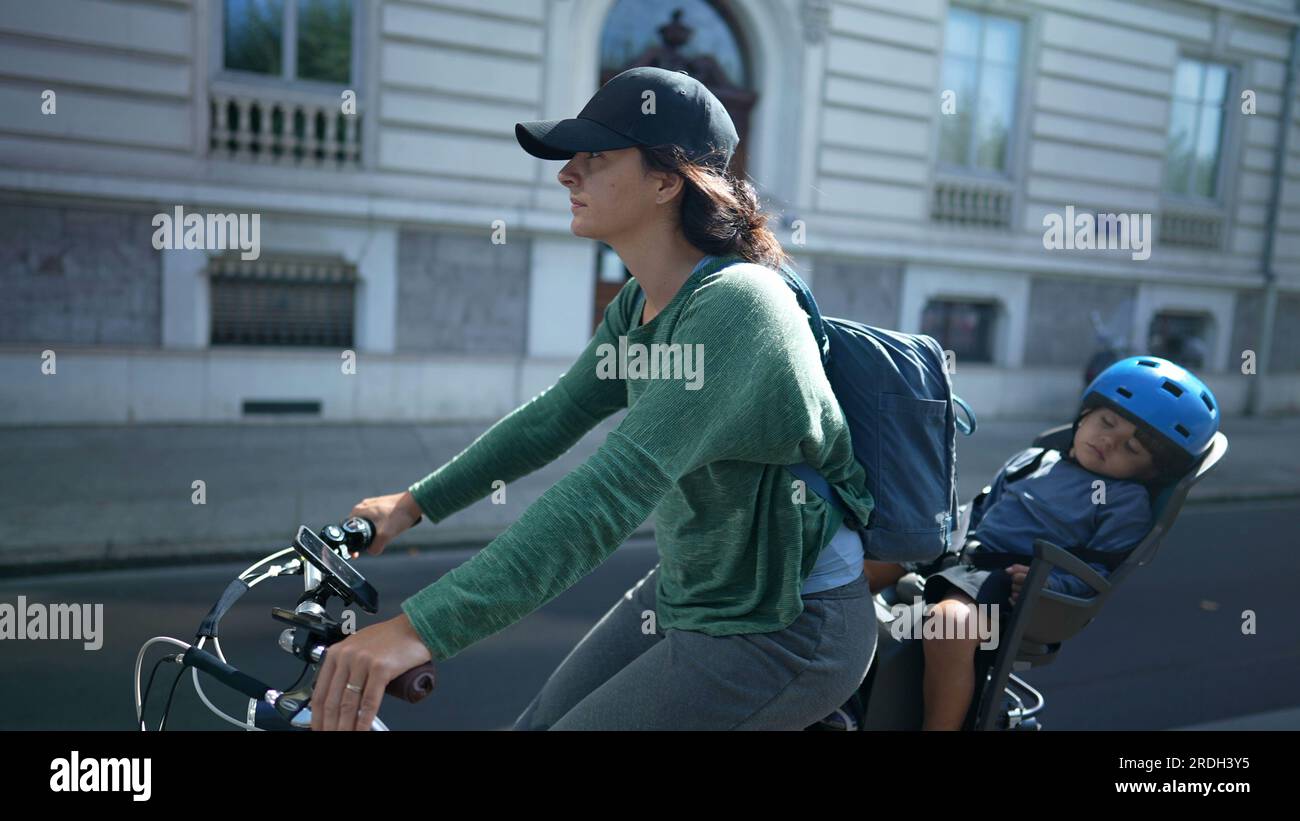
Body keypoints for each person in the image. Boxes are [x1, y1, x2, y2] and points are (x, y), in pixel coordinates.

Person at [310, 67, 877, 731]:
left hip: (789, 622)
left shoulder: (739, 309)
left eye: (595, 157)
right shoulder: (642, 302)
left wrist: (420, 628)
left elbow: (608, 494)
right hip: (698, 589)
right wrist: (413, 504)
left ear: (668, 181)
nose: (566, 174)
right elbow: (553, 418)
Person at [866, 356, 1220, 730]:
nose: (1107, 440)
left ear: (1152, 472)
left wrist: (1047, 584)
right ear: (1085, 414)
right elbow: (979, 509)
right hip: (957, 556)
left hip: (1008, 582)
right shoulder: (1035, 460)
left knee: (949, 623)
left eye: (1131, 448)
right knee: (856, 567)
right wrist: (926, 538)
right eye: (1107, 422)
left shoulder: (1125, 501)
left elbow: (1098, 574)